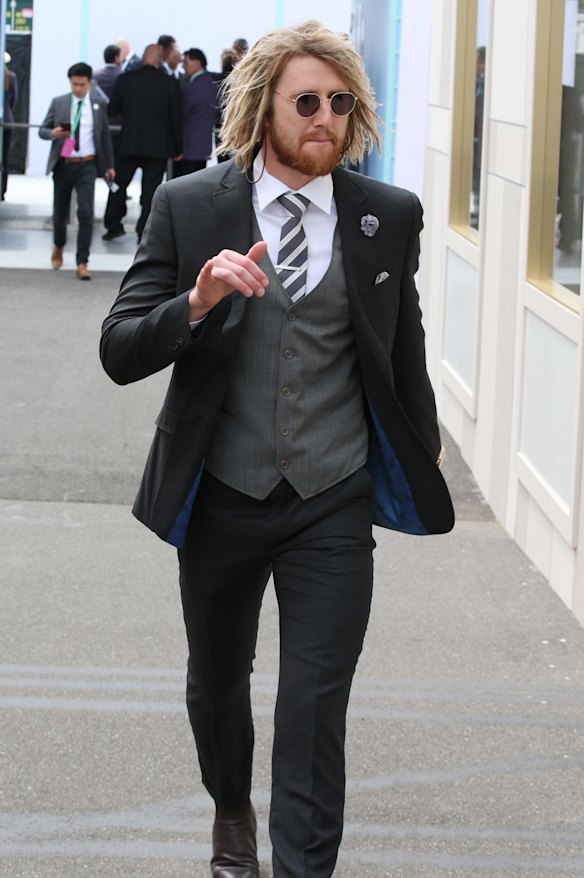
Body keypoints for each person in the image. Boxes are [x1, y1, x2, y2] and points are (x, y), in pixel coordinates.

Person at [100, 20, 454, 878]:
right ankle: (231, 814)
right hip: (223, 491)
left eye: (341, 103)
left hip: (331, 499)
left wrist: (419, 451)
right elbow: (119, 349)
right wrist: (196, 300)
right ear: (264, 109)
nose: (325, 118)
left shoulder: (387, 216)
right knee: (216, 686)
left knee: (313, 708)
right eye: (307, 101)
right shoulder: (190, 206)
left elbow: (400, 352)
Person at [39, 62, 115, 280]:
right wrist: (53, 133)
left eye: (82, 84)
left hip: (87, 164)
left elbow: (105, 137)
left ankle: (82, 261)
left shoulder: (98, 105)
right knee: (59, 213)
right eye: (74, 84)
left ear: (89, 83)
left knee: (85, 212)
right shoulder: (59, 102)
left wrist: (109, 165)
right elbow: (43, 131)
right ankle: (59, 244)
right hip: (64, 164)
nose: (78, 89)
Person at [102, 44, 181, 242]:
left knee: (119, 185)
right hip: (157, 147)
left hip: (129, 142)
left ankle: (113, 224)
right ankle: (144, 231)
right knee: (150, 191)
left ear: (144, 57)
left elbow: (112, 109)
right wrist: (177, 147)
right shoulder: (169, 83)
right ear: (160, 58)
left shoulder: (126, 80)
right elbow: (175, 119)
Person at [174, 48, 218, 176]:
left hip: (188, 148)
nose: (183, 65)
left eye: (186, 62)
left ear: (197, 62)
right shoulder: (212, 84)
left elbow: (181, 116)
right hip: (203, 147)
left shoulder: (192, 88)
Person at [2, 51, 17, 200]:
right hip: (7, 121)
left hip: (5, 121)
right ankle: (2, 190)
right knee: (4, 158)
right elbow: (14, 100)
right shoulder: (11, 77)